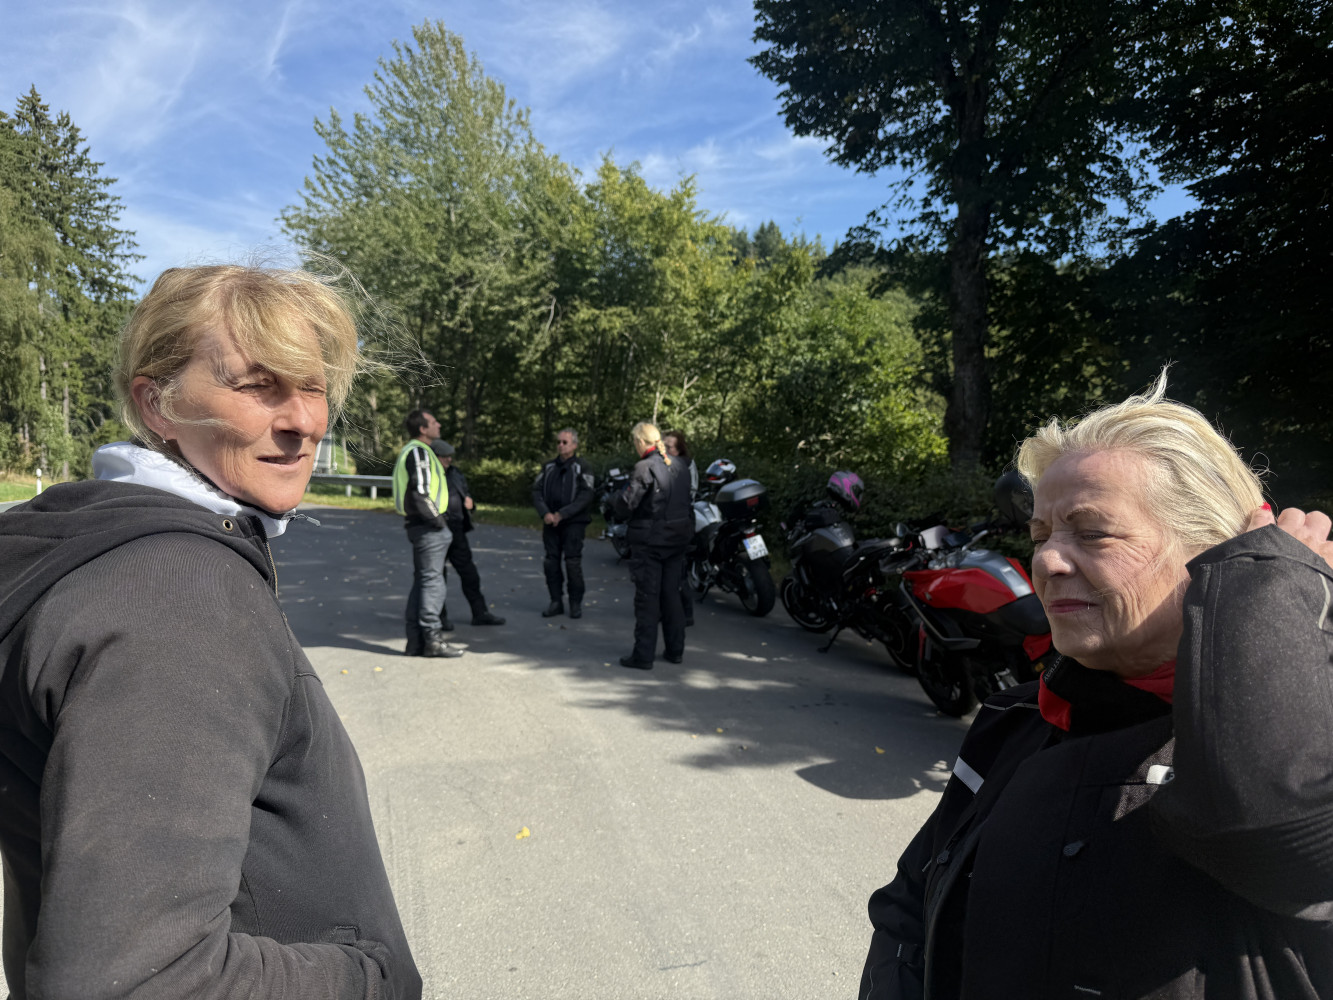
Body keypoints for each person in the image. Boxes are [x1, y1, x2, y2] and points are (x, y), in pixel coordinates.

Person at [0, 264, 421, 998]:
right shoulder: (177, 598)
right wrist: (367, 980)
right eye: (258, 385)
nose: (303, 420)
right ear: (156, 404)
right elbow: (130, 981)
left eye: (312, 385)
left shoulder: (107, 547)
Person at [858, 373, 1333, 1000]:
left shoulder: (1305, 748)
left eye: (1093, 533)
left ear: (1219, 552)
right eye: (1039, 536)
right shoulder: (1015, 720)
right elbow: (909, 907)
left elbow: (1277, 837)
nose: (1047, 561)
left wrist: (1270, 581)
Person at [612, 421, 694, 669]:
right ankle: (675, 650)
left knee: (648, 598)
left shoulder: (644, 467)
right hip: (677, 538)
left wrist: (613, 501)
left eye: (634, 442)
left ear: (640, 442)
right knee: (671, 595)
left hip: (651, 542)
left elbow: (627, 504)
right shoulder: (680, 465)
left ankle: (643, 655)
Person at [393, 409, 463, 658]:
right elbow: (420, 492)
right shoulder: (419, 452)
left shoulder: (414, 450)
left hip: (420, 526)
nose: (439, 424)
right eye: (434, 422)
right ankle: (433, 640)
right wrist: (438, 522)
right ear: (423, 429)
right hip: (428, 527)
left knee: (423, 581)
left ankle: (415, 642)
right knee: (433, 582)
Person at [430, 437, 505, 628]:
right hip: (437, 529)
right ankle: (439, 617)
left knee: (470, 573)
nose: (449, 460)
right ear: (435, 457)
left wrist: (471, 504)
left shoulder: (456, 473)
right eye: (445, 456)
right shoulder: (430, 474)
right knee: (438, 575)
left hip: (457, 530)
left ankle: (480, 613)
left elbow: (466, 494)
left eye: (450, 456)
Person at [532, 427, 594, 618]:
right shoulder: (548, 467)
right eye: (558, 442)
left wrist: (563, 514)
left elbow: (586, 495)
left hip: (573, 522)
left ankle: (575, 603)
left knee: (572, 563)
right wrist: (545, 513)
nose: (560, 445)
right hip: (551, 522)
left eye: (564, 442)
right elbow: (536, 490)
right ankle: (555, 601)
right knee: (551, 562)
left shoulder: (582, 467)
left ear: (574, 445)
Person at [663, 429, 699, 627]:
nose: (665, 450)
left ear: (679, 449)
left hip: (681, 520)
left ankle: (686, 613)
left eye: (669, 447)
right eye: (663, 446)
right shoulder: (660, 462)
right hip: (665, 521)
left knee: (679, 569)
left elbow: (691, 492)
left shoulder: (687, 464)